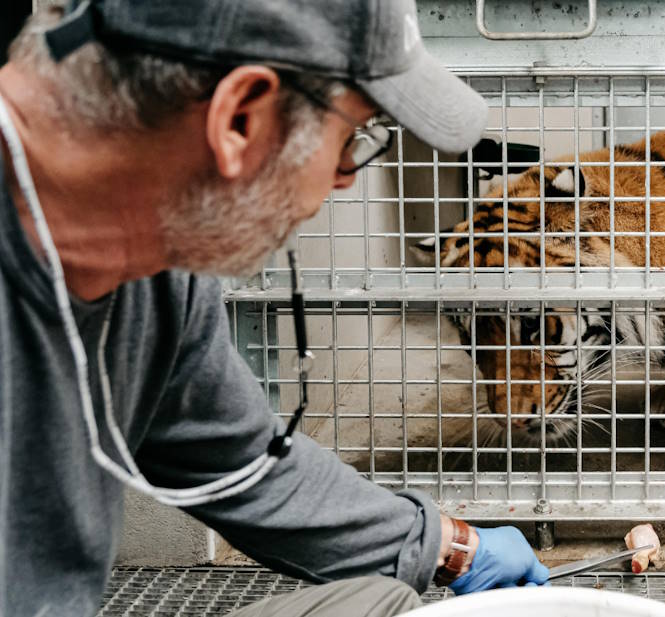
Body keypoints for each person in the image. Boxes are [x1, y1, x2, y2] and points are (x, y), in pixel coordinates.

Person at [0, 1, 549, 615]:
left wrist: (451, 547)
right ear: (240, 117)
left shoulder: (160, 268)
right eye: (353, 138)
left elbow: (242, 462)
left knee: (381, 602)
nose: (345, 177)